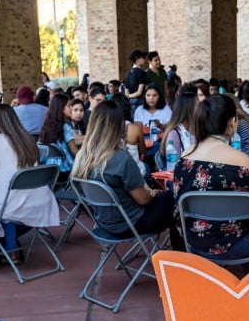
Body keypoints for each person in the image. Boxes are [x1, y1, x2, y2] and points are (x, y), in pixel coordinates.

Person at [174, 95, 249, 261]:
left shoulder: (184, 157)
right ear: (233, 122)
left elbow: (178, 205)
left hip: (194, 240)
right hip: (237, 242)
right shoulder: (242, 161)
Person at [71, 100, 181, 249]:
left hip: (103, 222)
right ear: (118, 126)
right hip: (130, 223)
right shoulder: (121, 159)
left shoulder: (81, 157)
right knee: (173, 198)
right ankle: (181, 255)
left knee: (168, 206)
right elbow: (143, 200)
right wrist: (155, 193)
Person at [0, 104, 59, 272]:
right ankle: (12, 253)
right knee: (8, 200)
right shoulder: (27, 139)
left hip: (13, 203)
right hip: (39, 201)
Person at [159, 83, 198, 169]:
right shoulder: (175, 135)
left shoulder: (197, 129)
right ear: (189, 110)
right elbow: (174, 167)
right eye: (197, 106)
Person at [38, 92, 75, 170]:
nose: (72, 108)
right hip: (65, 170)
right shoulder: (65, 127)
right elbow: (74, 152)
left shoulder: (46, 127)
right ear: (61, 108)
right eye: (69, 106)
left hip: (49, 170)